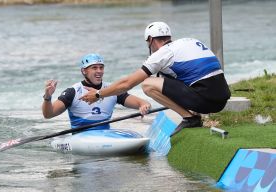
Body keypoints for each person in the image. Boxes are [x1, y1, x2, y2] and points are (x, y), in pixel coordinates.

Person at [80, 22, 231, 134]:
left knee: (147, 84)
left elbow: (127, 83)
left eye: (148, 43)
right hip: (222, 100)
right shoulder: (189, 41)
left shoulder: (162, 54)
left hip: (205, 101)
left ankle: (190, 118)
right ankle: (195, 113)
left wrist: (98, 94)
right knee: (173, 74)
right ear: (168, 37)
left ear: (151, 40)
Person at [42, 53, 151, 130]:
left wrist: (144, 106)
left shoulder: (111, 90)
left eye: (101, 67)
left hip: (105, 135)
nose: (99, 71)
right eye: (94, 68)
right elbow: (48, 114)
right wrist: (48, 97)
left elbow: (143, 103)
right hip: (81, 137)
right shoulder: (73, 92)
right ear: (84, 71)